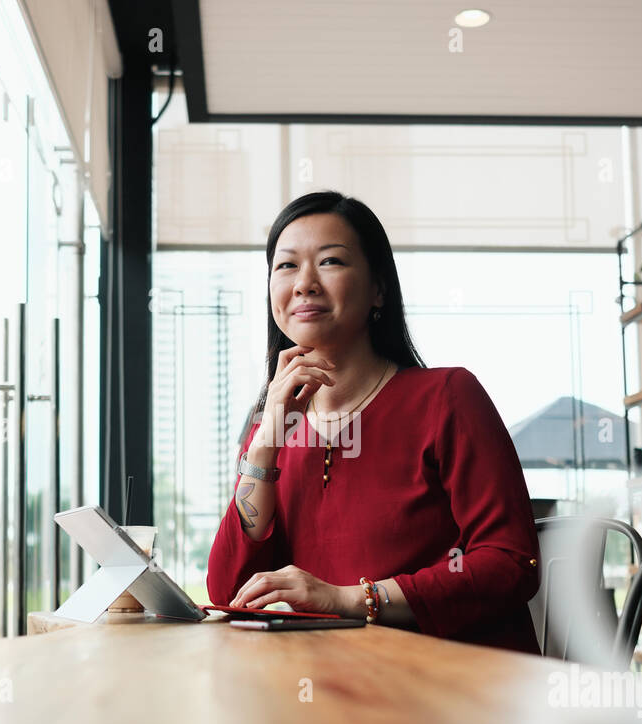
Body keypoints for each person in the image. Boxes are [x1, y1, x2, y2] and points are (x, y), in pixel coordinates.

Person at [206, 191, 542, 654]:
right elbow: (229, 592)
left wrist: (347, 599)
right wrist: (265, 443)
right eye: (286, 266)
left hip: (453, 689)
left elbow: (509, 563)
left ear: (378, 288)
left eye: (330, 261)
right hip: (328, 686)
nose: (304, 284)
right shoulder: (273, 426)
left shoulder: (448, 397)